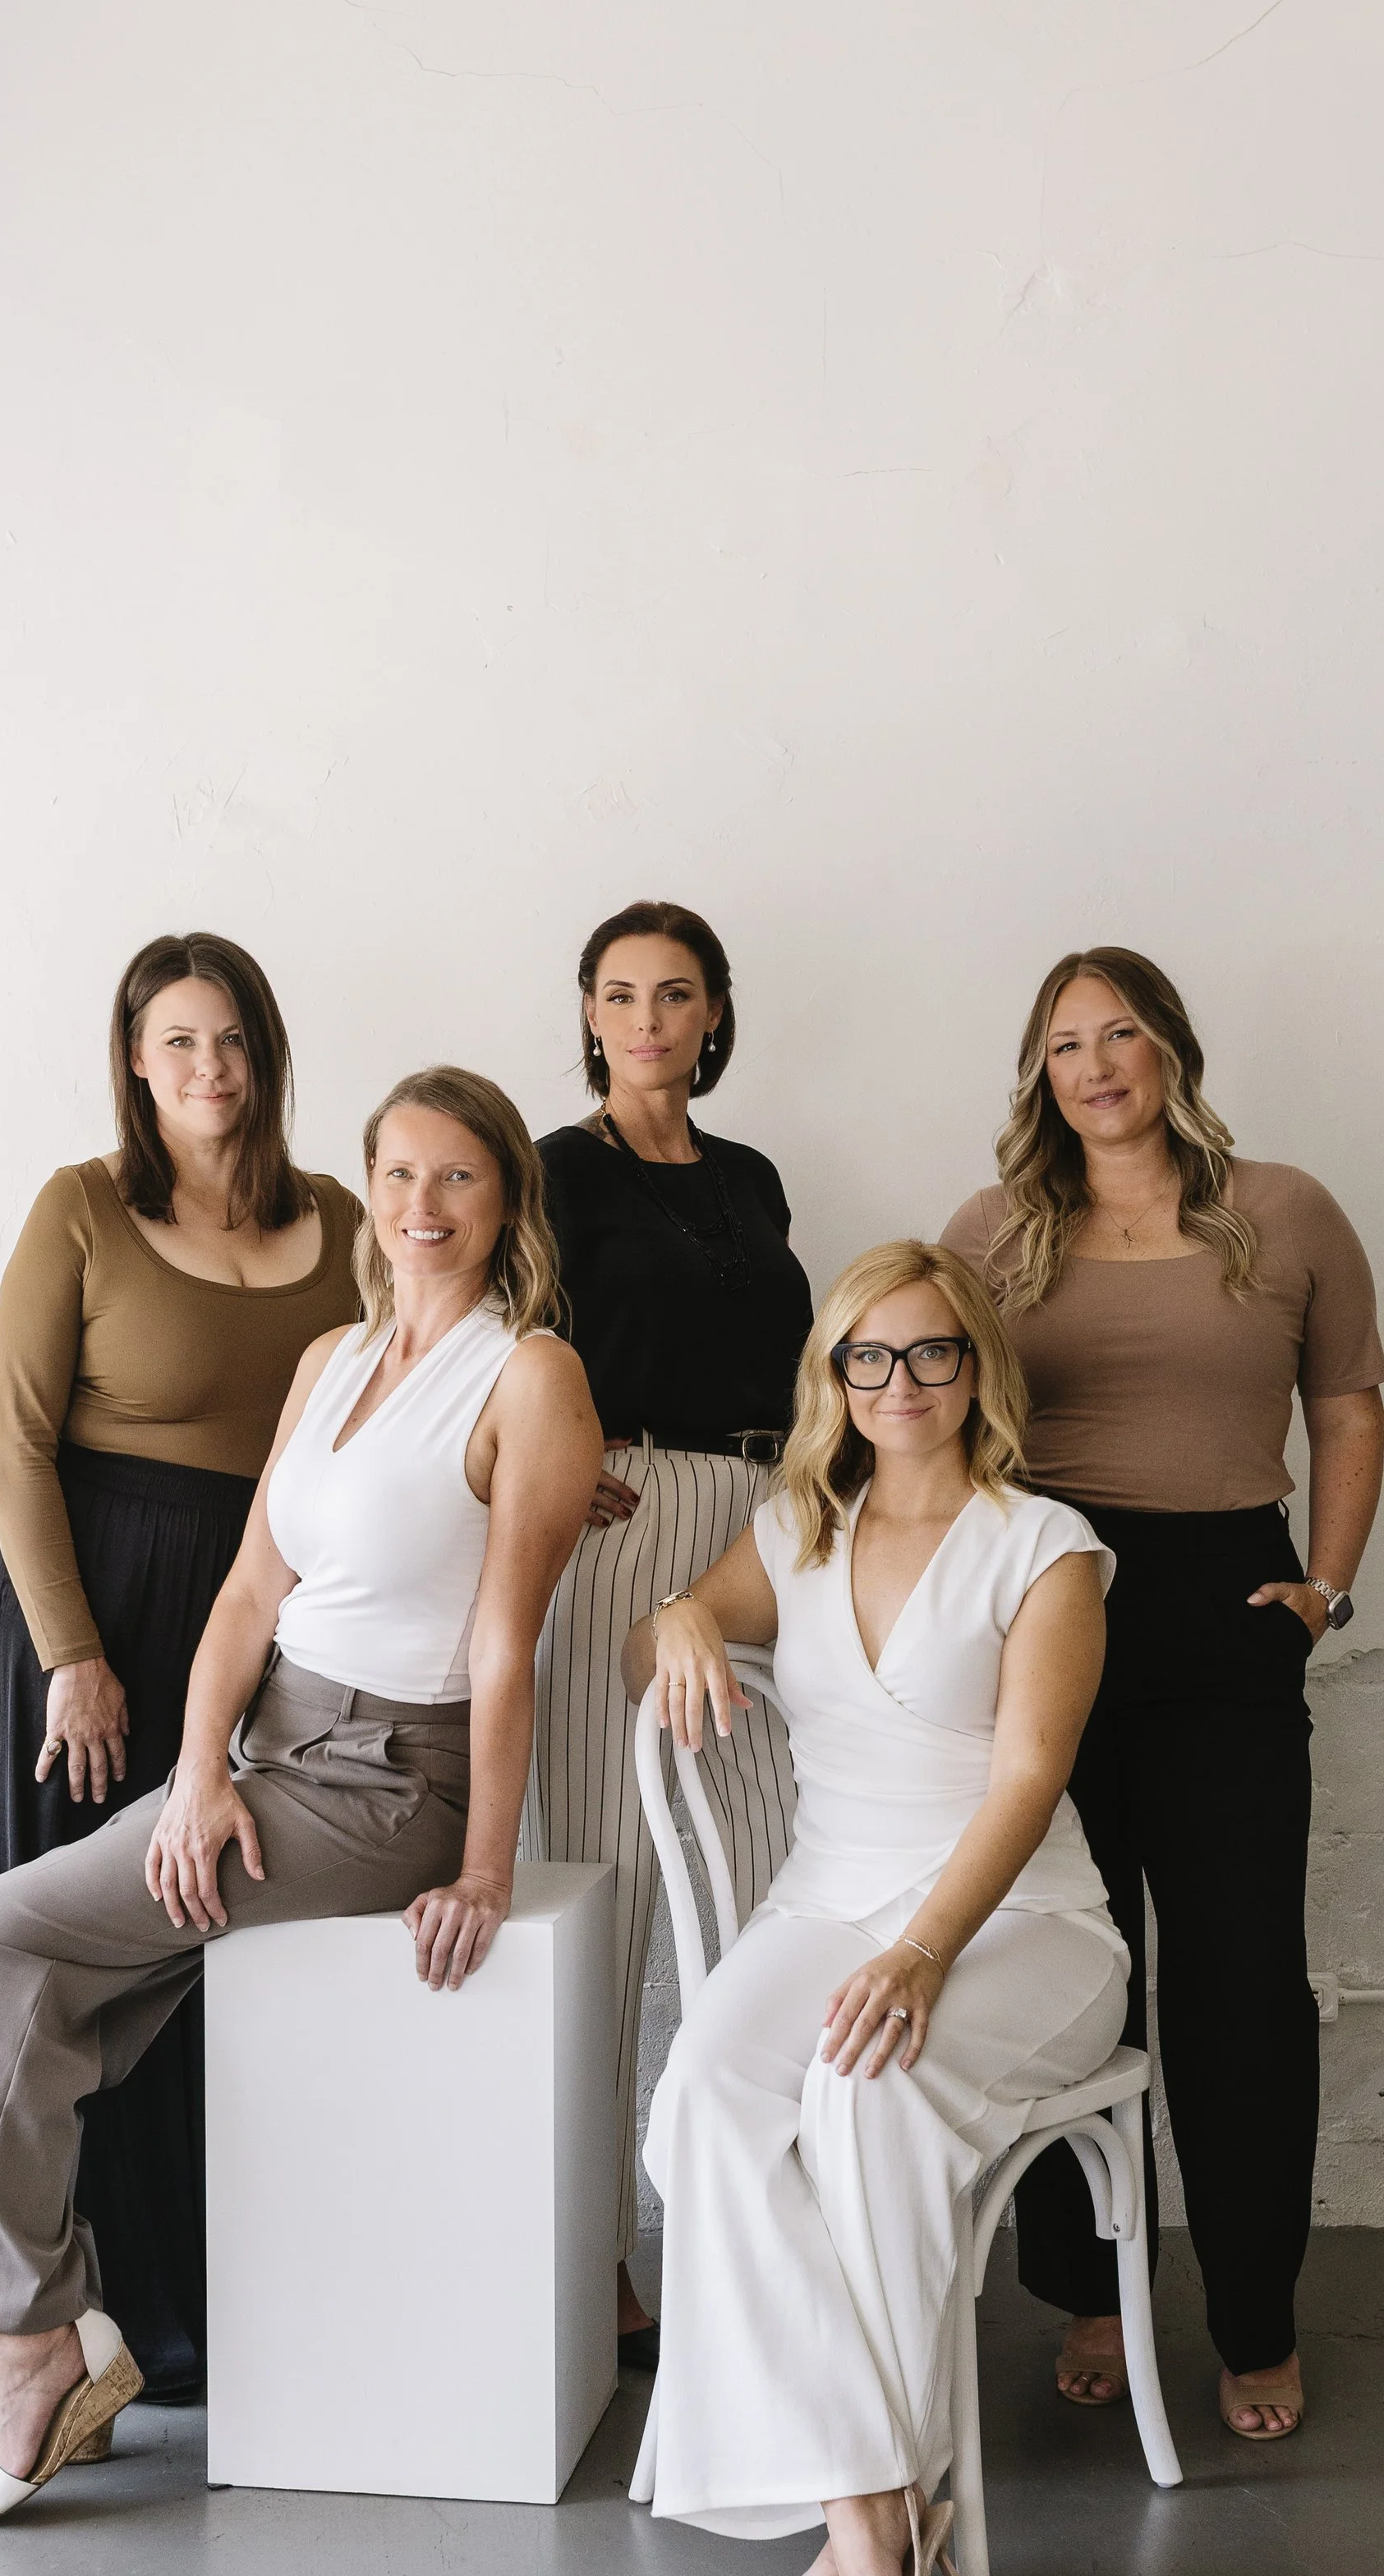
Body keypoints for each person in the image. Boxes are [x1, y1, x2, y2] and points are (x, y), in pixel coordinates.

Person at [0, 1068, 602, 2521]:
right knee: (15, 1970)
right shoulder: (332, 1357)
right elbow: (249, 1591)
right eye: (397, 1175)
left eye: (458, 1178)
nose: (421, 1207)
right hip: (269, 1751)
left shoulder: (531, 1375)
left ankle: (38, 2345)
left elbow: (509, 1641)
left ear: (508, 1198)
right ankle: (39, 2333)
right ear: (369, 1192)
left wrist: (483, 1868)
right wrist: (198, 1772)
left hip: (396, 1775)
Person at [623, 1243, 1127, 2576]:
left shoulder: (1047, 1544)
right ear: (830, 1377)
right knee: (702, 2104)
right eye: (868, 1356)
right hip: (826, 1904)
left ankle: (877, 2540)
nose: (899, 1384)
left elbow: (1029, 1779)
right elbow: (689, 1616)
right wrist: (674, 1617)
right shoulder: (795, 1528)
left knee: (865, 2101)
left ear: (978, 1370)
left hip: (1018, 1918)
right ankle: (872, 2509)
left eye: (931, 1354)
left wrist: (923, 1951)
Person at [941, 947, 1384, 2442]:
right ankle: (1087, 2286)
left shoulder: (1285, 1212)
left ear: (1172, 1048)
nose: (1096, 1062)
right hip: (1048, 1604)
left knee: (1242, 1979)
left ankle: (1253, 2316)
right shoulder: (996, 1231)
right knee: (1076, 1960)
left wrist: (1324, 1587)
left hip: (1226, 1606)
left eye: (1121, 1030)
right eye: (1065, 1042)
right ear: (1040, 1074)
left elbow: (1344, 1403)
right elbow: (928, 1414)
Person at [0, 931, 364, 2398]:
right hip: (98, 1609)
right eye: (179, 1040)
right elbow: (13, 1444)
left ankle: (204, 2304)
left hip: (260, 1609)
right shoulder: (81, 1207)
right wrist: (71, 1653)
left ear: (266, 1057)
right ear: (138, 1059)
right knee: (76, 1959)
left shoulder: (336, 1214)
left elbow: (411, 1385)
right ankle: (55, 2314)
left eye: (234, 1040)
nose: (210, 1066)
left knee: (214, 1947)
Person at [530, 902, 814, 2366]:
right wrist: (549, 1468)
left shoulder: (754, 1177)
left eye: (678, 995)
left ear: (715, 1017)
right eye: (623, 994)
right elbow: (487, 1336)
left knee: (766, 1883)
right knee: (613, 1895)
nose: (649, 1020)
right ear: (589, 1013)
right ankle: (598, 2257)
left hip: (765, 1528)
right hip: (619, 1525)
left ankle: (757, 2228)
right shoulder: (549, 1171)